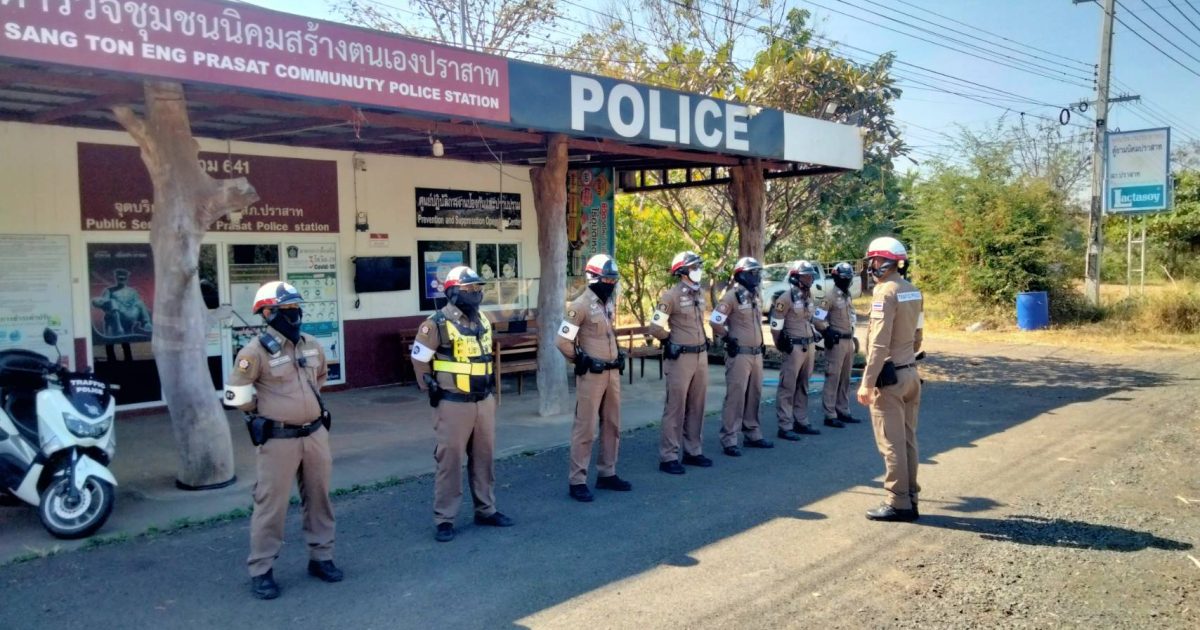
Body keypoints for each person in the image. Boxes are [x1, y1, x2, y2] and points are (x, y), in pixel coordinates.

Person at [224, 280, 340, 600]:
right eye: (286, 309)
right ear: (267, 313)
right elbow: (236, 396)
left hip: (315, 434)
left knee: (319, 498)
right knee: (270, 505)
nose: (294, 313)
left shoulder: (311, 344)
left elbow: (320, 377)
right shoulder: (253, 352)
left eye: (296, 307)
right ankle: (262, 569)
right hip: (278, 439)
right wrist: (264, 411)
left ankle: (321, 557)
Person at [411, 266, 514, 542]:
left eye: (478, 288)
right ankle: (444, 519)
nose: (475, 293)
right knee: (450, 461)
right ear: (453, 292)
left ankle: (486, 509)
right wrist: (429, 385)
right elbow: (419, 359)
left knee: (484, 459)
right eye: (469, 289)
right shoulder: (436, 323)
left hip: (484, 401)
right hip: (453, 403)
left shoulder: (483, 319)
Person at [856, 237, 924, 522]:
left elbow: (879, 343)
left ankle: (898, 502)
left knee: (891, 443)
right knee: (907, 440)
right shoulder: (912, 291)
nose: (871, 266)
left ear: (883, 261)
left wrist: (867, 382)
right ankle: (911, 497)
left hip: (890, 378)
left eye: (873, 260)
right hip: (910, 373)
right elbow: (918, 335)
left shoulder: (885, 293)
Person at [556, 254, 632, 501]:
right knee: (585, 428)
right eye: (606, 279)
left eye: (613, 279)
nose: (610, 283)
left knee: (612, 424)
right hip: (592, 375)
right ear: (593, 278)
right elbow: (562, 341)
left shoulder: (607, 304)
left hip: (612, 373)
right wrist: (579, 360)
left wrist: (617, 353)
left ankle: (607, 473)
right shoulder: (579, 305)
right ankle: (577, 480)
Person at [649, 251, 713, 474]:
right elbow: (655, 327)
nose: (698, 270)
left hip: (700, 356)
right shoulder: (670, 296)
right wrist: (669, 340)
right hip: (680, 358)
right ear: (683, 271)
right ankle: (669, 456)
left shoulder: (700, 293)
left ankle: (693, 451)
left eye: (698, 266)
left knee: (697, 405)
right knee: (676, 407)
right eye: (694, 267)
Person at [711, 257, 773, 457]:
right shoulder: (731, 297)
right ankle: (729, 438)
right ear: (742, 275)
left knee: (754, 395)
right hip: (739, 355)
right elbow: (715, 321)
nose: (756, 276)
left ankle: (753, 433)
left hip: (756, 354)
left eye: (757, 272)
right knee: (736, 396)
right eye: (753, 272)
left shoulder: (754, 296)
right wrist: (727, 338)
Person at [770, 260, 823, 441]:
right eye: (806, 276)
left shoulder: (808, 297)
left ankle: (801, 421)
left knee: (803, 385)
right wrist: (780, 344)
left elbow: (809, 319)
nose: (810, 279)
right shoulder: (785, 299)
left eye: (810, 276)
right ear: (795, 278)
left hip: (809, 345)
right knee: (788, 387)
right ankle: (785, 425)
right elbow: (775, 326)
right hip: (794, 348)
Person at [816, 262, 864, 428]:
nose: (846, 280)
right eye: (843, 277)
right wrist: (827, 331)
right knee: (833, 377)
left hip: (848, 341)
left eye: (849, 277)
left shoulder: (847, 295)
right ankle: (830, 414)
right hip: (836, 343)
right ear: (836, 278)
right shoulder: (829, 297)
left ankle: (843, 410)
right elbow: (817, 319)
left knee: (845, 378)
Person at [92, 268, 152, 362]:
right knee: (112, 302)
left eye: (123, 278)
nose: (121, 279)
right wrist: (98, 302)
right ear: (116, 278)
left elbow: (138, 304)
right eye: (119, 277)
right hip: (115, 317)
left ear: (126, 278)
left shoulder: (132, 291)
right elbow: (104, 303)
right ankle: (112, 359)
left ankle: (146, 323)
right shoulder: (109, 291)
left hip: (130, 315)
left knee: (140, 303)